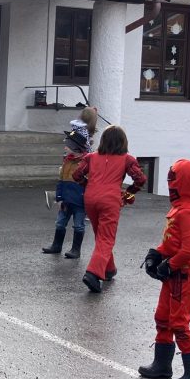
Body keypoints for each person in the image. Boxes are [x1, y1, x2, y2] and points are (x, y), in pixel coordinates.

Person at [139, 159, 190, 379]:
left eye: (173, 181)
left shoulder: (188, 212)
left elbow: (189, 251)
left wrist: (169, 265)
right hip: (175, 271)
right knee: (163, 316)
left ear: (184, 183)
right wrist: (157, 254)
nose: (170, 187)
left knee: (179, 322)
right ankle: (162, 364)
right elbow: (172, 242)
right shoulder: (180, 208)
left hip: (184, 274)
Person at [72, 125, 147, 293]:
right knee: (106, 238)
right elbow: (140, 179)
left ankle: (109, 269)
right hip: (110, 200)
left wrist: (88, 186)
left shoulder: (91, 157)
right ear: (123, 141)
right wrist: (129, 193)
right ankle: (93, 273)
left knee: (101, 235)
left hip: (90, 198)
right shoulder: (127, 159)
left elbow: (77, 175)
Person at [42, 122, 89, 258]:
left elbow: (89, 184)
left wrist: (86, 200)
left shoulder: (86, 163)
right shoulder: (67, 161)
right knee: (60, 223)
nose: (65, 147)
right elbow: (61, 181)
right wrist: (59, 198)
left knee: (79, 226)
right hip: (66, 201)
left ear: (75, 147)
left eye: (67, 145)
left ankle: (75, 250)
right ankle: (56, 246)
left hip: (80, 202)